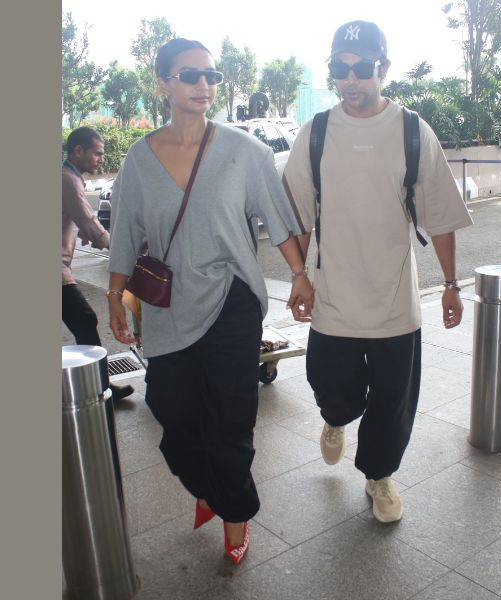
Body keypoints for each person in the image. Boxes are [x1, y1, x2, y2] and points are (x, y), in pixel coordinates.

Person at [106, 38, 313, 564]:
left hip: (231, 298)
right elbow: (126, 234)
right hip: (167, 304)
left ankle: (234, 513)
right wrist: (113, 295)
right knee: (169, 408)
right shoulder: (139, 159)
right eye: (190, 75)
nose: (204, 85)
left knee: (230, 417)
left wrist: (299, 275)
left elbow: (279, 220)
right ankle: (211, 488)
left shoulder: (246, 152)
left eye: (211, 76)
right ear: (163, 84)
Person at [282, 20, 474, 523]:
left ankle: (379, 476)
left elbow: (440, 215)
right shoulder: (315, 134)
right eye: (339, 68)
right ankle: (335, 419)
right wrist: (299, 275)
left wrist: (451, 285)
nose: (350, 79)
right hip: (333, 299)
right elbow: (297, 215)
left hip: (394, 301)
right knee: (330, 387)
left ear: (383, 68)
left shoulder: (412, 131)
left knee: (392, 402)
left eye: (361, 68)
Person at [62, 126, 134, 402]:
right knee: (85, 319)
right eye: (97, 153)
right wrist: (123, 250)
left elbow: (74, 220)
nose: (101, 159)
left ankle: (97, 385)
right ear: (78, 151)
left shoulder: (67, 177)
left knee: (82, 320)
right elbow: (91, 224)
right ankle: (100, 388)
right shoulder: (69, 180)